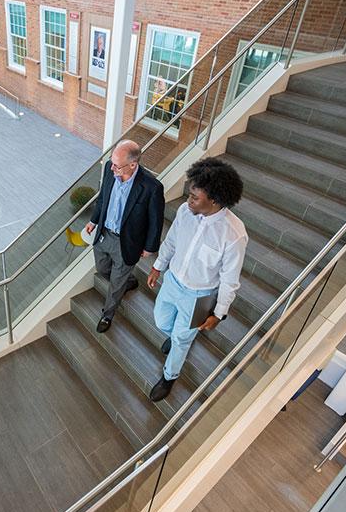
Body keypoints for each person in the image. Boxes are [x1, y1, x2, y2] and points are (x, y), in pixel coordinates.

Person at [146, 158, 248, 402]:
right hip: (172, 281)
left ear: (214, 200)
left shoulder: (234, 234)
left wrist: (219, 313)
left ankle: (169, 375)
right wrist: (158, 267)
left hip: (199, 296)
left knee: (182, 339)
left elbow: (230, 280)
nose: (188, 200)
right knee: (161, 320)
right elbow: (171, 241)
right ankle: (177, 338)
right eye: (190, 194)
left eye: (195, 197)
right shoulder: (185, 211)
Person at [86, 140, 164, 334]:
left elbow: (156, 221)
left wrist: (149, 247)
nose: (112, 168)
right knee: (102, 268)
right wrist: (93, 221)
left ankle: (108, 314)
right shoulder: (110, 169)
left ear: (133, 164)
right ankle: (128, 282)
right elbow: (103, 197)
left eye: (117, 165)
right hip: (104, 234)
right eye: (112, 163)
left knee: (115, 284)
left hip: (127, 242)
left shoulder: (151, 187)